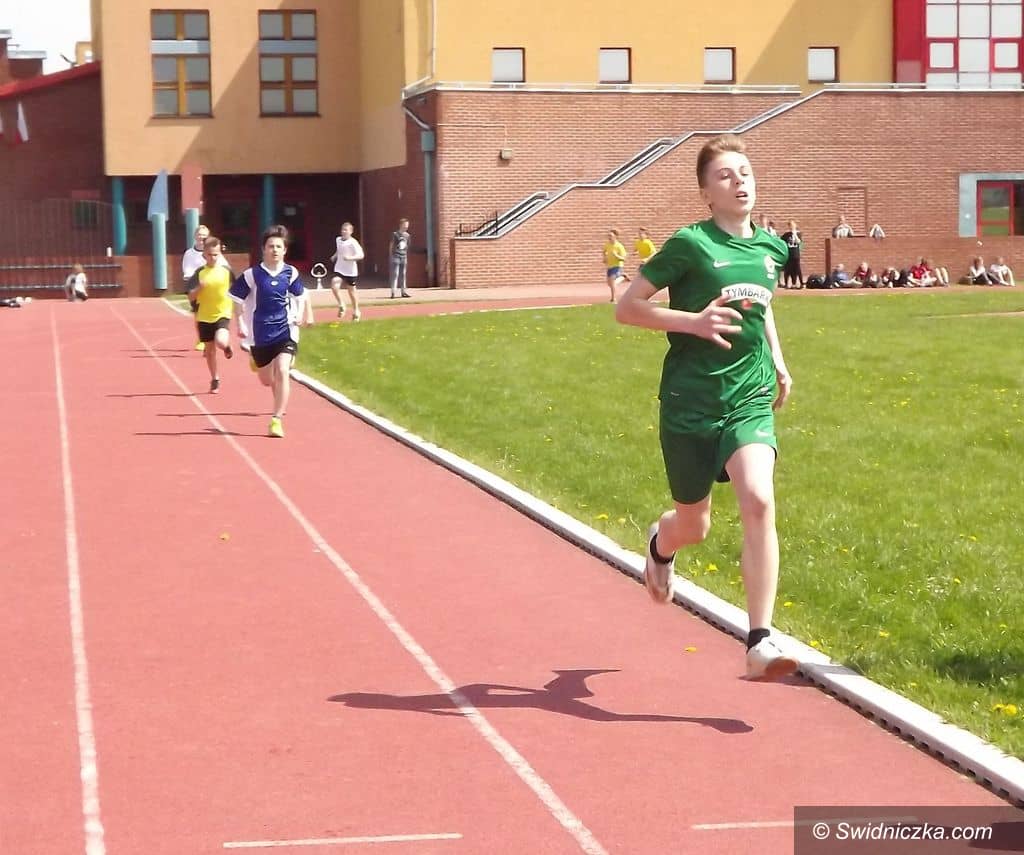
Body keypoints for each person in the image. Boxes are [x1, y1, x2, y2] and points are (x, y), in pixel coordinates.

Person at [615, 133, 798, 681]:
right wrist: (693, 322)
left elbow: (761, 307)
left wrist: (778, 360)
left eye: (745, 171)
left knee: (759, 499)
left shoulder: (772, 249)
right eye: (725, 174)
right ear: (705, 193)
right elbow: (628, 307)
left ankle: (759, 641)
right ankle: (661, 545)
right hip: (691, 401)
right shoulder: (690, 245)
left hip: (749, 395)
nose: (739, 180)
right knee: (694, 525)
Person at [229, 225, 309, 438]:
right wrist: (240, 323)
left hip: (285, 330)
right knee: (266, 380)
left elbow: (300, 296)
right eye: (271, 246)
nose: (274, 250)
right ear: (263, 249)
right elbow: (236, 299)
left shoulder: (290, 273)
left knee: (283, 370)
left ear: (285, 250)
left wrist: (300, 314)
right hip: (260, 334)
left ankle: (276, 420)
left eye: (278, 246)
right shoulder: (252, 275)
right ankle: (256, 362)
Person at [186, 235, 235, 394]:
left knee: (220, 341)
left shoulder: (226, 271)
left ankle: (226, 346)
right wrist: (199, 288)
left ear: (220, 253)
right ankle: (215, 378)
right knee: (209, 351)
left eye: (216, 254)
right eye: (210, 255)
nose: (213, 258)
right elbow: (190, 297)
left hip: (222, 313)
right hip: (204, 316)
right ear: (204, 255)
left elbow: (237, 289)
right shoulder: (199, 273)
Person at [183, 225, 230, 350]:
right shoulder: (189, 253)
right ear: (195, 236)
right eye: (199, 235)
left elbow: (225, 266)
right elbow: (187, 269)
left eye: (204, 235)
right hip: (197, 284)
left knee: (215, 312)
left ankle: (218, 337)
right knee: (198, 314)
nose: (201, 238)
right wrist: (195, 279)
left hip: (214, 287)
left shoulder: (214, 251)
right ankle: (201, 339)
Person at [330, 222, 365, 321]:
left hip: (350, 271)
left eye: (346, 230)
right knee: (334, 284)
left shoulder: (353, 242)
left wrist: (350, 258)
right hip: (339, 268)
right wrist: (334, 256)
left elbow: (361, 255)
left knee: (351, 292)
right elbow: (339, 249)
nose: (344, 231)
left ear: (351, 232)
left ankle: (356, 311)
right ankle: (342, 304)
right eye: (343, 229)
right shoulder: (338, 239)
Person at [603, 229, 630, 302]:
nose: (609, 237)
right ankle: (623, 277)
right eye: (608, 236)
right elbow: (604, 251)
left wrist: (616, 256)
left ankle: (613, 298)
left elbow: (624, 258)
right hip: (610, 266)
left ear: (616, 236)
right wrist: (604, 258)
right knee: (609, 283)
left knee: (612, 283)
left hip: (617, 266)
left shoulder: (619, 246)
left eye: (611, 236)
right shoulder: (607, 244)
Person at [388, 218, 412, 299]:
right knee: (395, 274)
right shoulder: (395, 234)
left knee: (403, 274)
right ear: (401, 225)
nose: (406, 227)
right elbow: (391, 245)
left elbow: (407, 246)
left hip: (403, 256)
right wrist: (391, 255)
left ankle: (403, 291)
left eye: (407, 225)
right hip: (396, 256)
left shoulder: (407, 235)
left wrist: (406, 255)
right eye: (405, 225)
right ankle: (393, 292)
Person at [780, 220, 803, 289]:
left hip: (796, 254)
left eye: (792, 225)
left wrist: (794, 234)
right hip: (789, 254)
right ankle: (787, 284)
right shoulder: (786, 234)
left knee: (797, 269)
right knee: (788, 269)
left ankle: (799, 283)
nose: (791, 227)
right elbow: (781, 241)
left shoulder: (799, 234)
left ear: (795, 225)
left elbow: (799, 242)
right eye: (790, 225)